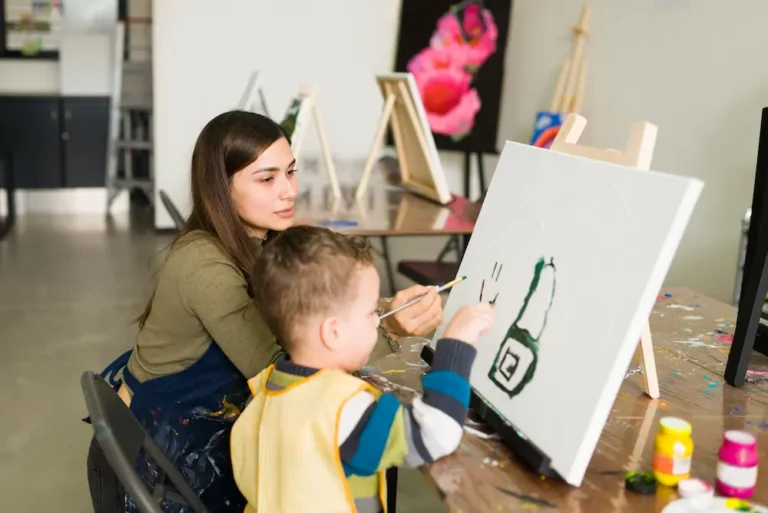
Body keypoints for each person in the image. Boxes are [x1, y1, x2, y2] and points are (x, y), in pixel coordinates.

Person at [85, 111, 445, 513]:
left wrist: (375, 309)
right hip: (161, 462)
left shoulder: (253, 240)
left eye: (290, 172)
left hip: (181, 434)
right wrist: (389, 328)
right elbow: (291, 374)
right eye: (267, 179)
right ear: (221, 188)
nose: (289, 191)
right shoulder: (204, 264)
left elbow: (300, 318)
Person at [231, 225, 494, 513]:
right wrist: (456, 345)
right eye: (370, 312)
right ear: (333, 332)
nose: (377, 321)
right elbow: (435, 435)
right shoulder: (345, 409)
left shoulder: (262, 393)